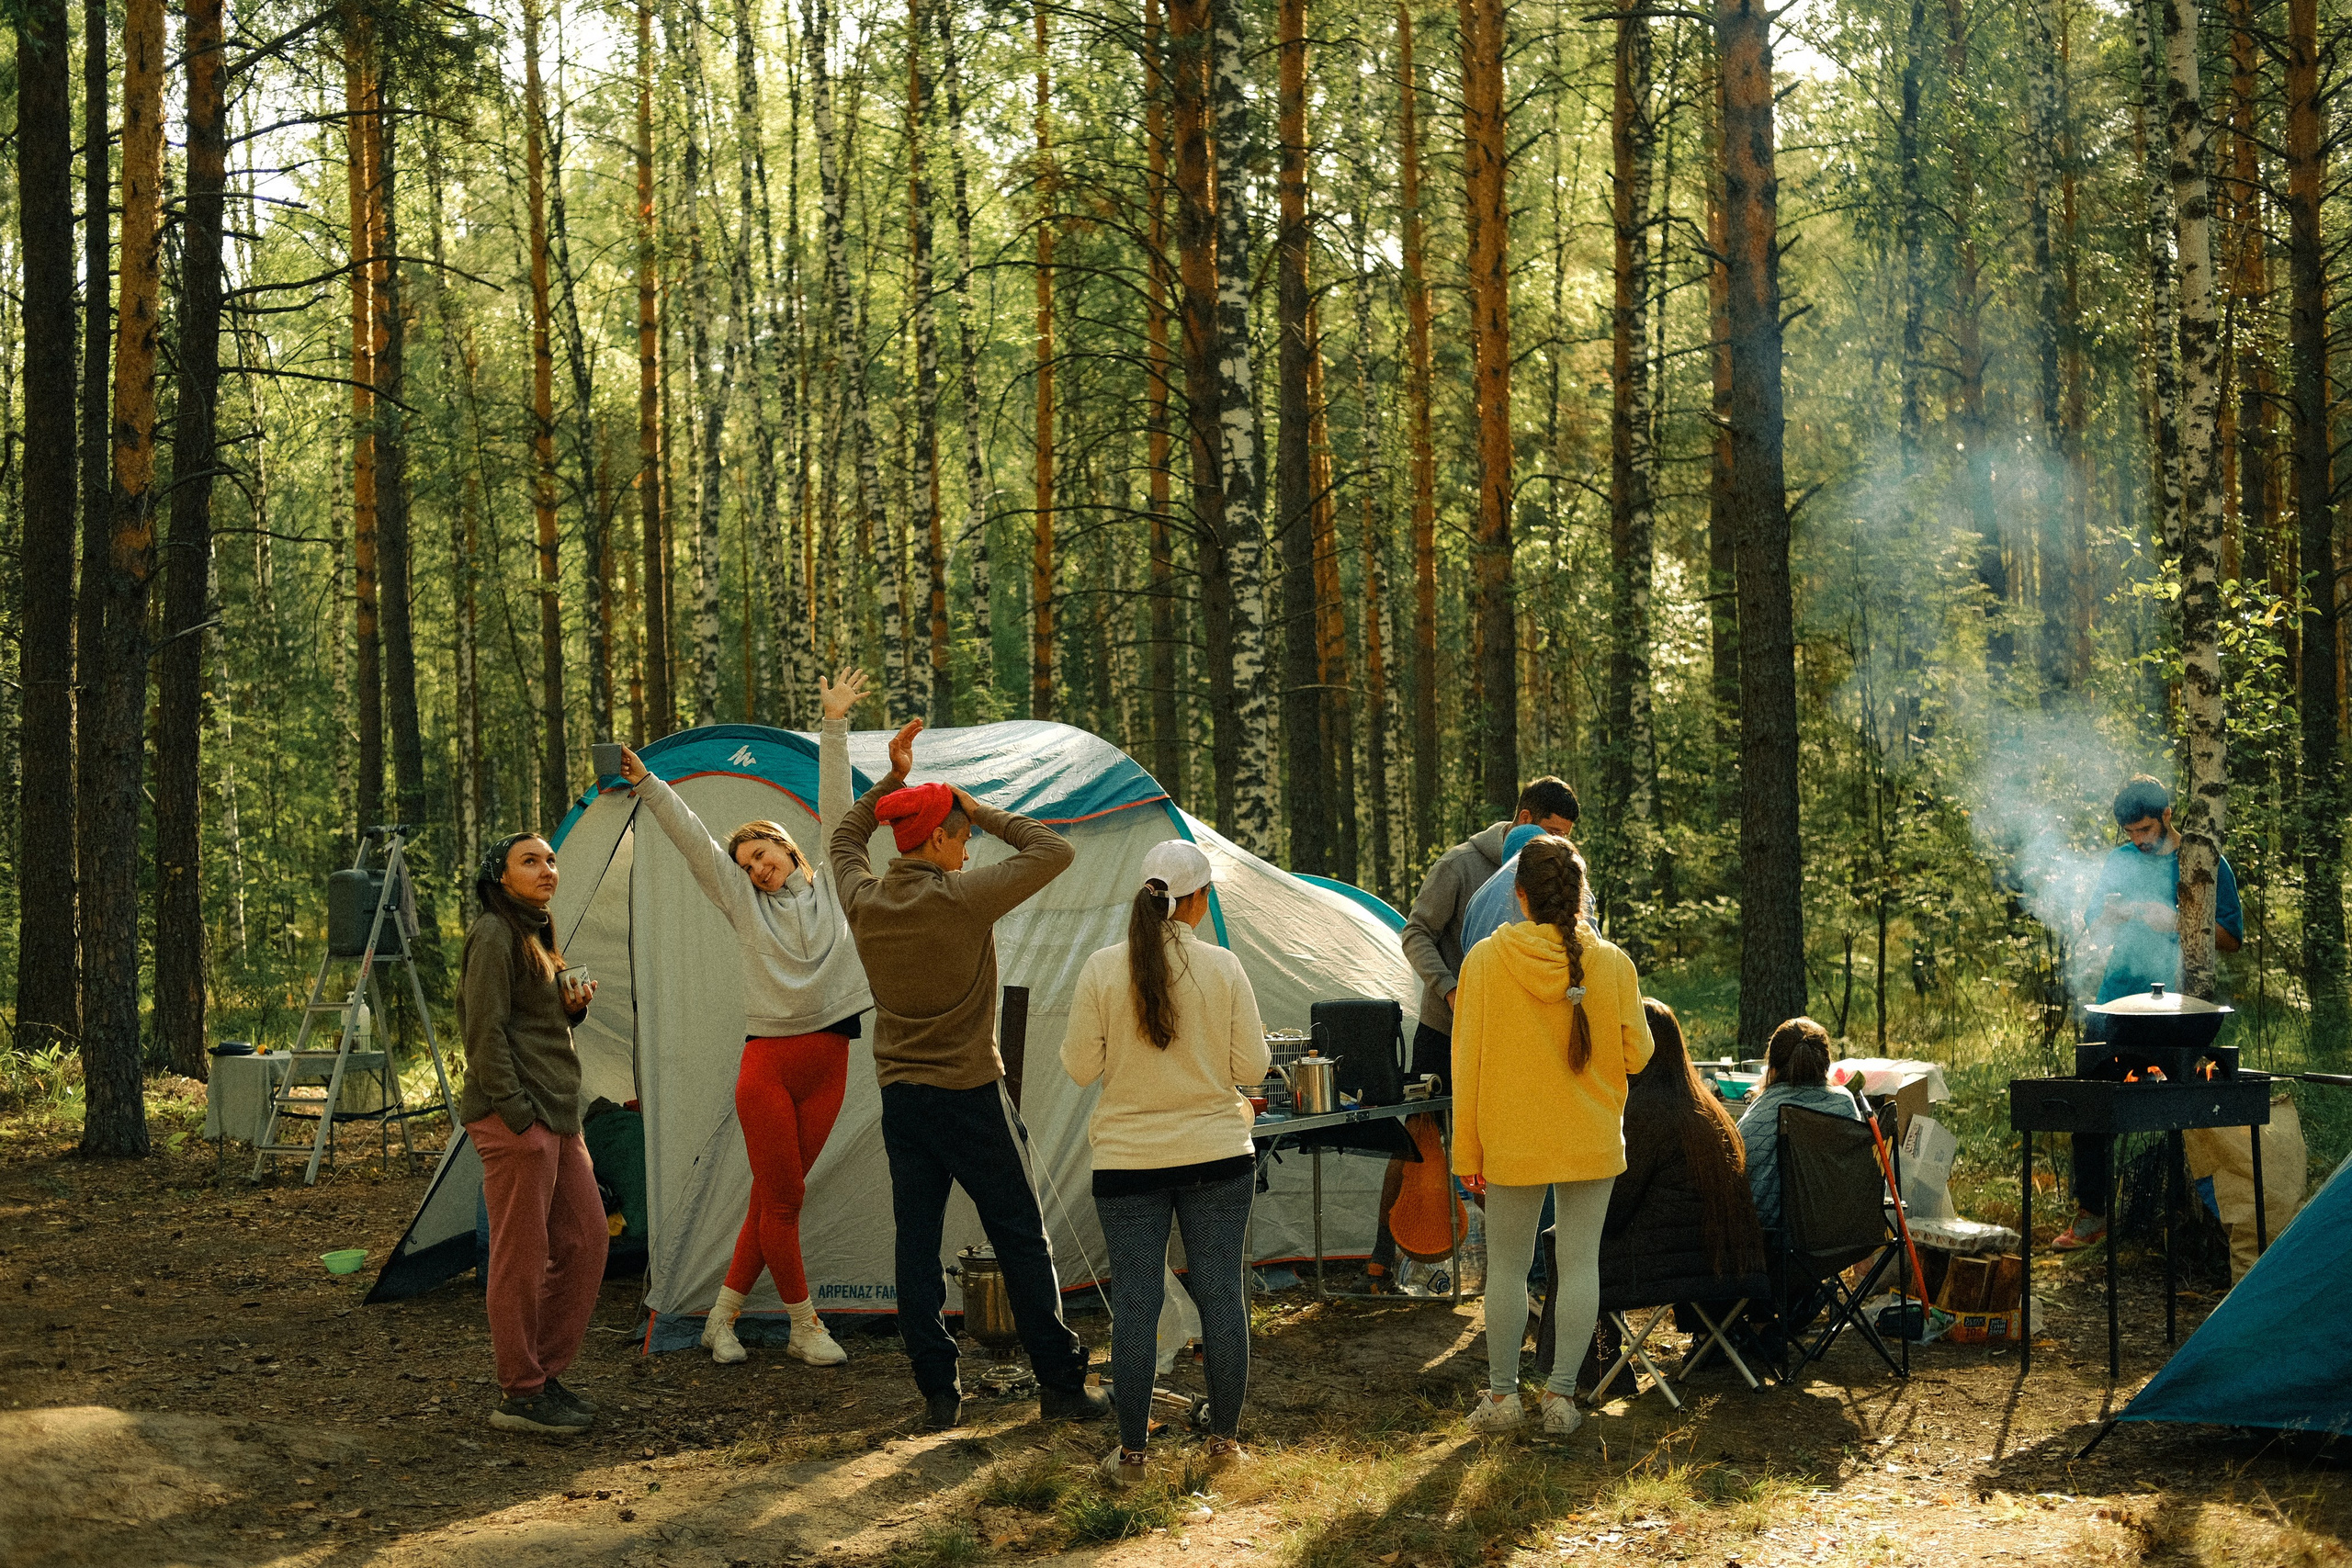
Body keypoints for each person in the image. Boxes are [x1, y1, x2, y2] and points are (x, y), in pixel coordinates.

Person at [831, 717, 1109, 1431]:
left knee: (915, 1244)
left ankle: (937, 1395)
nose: (969, 845)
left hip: (903, 1100)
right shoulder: (960, 897)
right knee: (1019, 1234)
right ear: (937, 840)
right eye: (961, 835)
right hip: (968, 1094)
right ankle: (1060, 1384)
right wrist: (976, 802)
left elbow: (843, 839)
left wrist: (892, 783)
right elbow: (1054, 847)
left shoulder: (863, 900)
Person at [616, 667, 877, 1367]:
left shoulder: (837, 887)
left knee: (775, 1195)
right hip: (768, 1065)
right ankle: (803, 1324)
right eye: (748, 864)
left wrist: (833, 723)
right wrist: (648, 784)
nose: (757, 868)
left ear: (788, 845)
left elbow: (837, 804)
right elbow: (695, 839)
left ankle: (721, 1317)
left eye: (762, 854)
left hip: (830, 1062)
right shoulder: (743, 903)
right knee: (784, 1197)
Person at [1061, 840, 1270, 1486]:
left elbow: (1078, 1066)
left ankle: (1132, 1458)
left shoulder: (1101, 968)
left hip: (1127, 1163)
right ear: (1198, 899)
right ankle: (1225, 1446)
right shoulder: (1223, 966)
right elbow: (1253, 1068)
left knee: (1136, 1305)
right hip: (1216, 1155)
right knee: (1220, 1296)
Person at [1451, 836, 1653, 1437]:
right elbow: (1639, 1052)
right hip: (1589, 1135)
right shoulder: (1613, 962)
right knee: (1580, 1262)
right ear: (1580, 895)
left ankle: (1503, 1398)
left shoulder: (1485, 961)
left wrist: (1467, 1152)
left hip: (1512, 1138)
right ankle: (1562, 1398)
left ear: (1518, 895)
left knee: (1508, 1269)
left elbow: (1467, 1064)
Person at [1375, 777, 1581, 1290]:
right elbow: (1415, 931)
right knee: (1418, 1144)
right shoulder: (1460, 865)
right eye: (1552, 830)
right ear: (1525, 818)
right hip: (1445, 1029)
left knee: (1501, 1147)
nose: (1559, 844)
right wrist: (1449, 989)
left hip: (1510, 1038)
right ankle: (1382, 1258)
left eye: (1568, 836)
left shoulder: (1551, 873)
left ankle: (1512, 1267)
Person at [2053, 773, 2245, 1251]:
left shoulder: (2202, 862)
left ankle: (2203, 1216)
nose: (2138, 841)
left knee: (2183, 1106)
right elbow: (2094, 932)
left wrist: (2180, 923)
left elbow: (2232, 941)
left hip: (2180, 1011)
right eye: (2131, 833)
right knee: (2090, 1101)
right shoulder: (2119, 862)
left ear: (2167, 815)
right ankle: (2093, 1215)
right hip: (2115, 1001)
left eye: (2145, 829)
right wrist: (2110, 917)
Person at [459, 832, 608, 1438]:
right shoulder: (492, 933)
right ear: (500, 875)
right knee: (519, 1256)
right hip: (518, 1117)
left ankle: (543, 1375)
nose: (547, 867)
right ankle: (519, 1390)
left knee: (587, 1238)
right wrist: (518, 1116)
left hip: (557, 1110)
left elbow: (533, 1017)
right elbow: (484, 1034)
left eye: (550, 858)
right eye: (531, 860)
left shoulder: (538, 928)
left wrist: (571, 1007)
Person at [1582, 1000, 1767, 1384]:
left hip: (1677, 1268)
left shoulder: (1645, 1108)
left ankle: (1596, 1367)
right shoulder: (1706, 1105)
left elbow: (1614, 1212)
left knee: (1569, 1240)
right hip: (1728, 1266)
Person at [1735, 1017, 1860, 1234]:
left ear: (1771, 1068)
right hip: (1836, 1236)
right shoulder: (1845, 1104)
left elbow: (1738, 1183)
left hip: (1772, 1242)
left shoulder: (1761, 1115)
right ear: (1825, 1065)